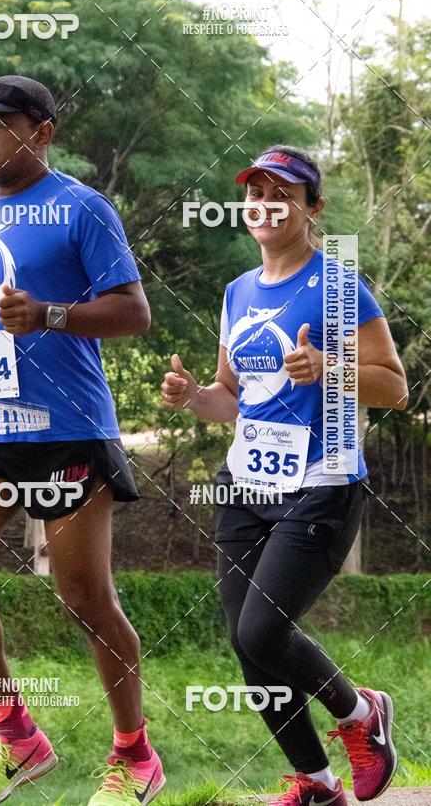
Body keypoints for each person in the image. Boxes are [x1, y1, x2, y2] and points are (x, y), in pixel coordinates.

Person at [0, 75, 166, 806]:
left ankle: (135, 755)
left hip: (66, 431)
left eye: (0, 122)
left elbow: (134, 313)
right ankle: (18, 736)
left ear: (43, 131)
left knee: (84, 596)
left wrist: (52, 316)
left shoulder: (82, 208)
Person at [161, 145, 408, 806]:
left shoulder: (339, 285)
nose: (265, 202)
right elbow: (231, 397)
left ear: (312, 206)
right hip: (246, 484)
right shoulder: (237, 292)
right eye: (255, 191)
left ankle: (360, 714)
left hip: (320, 484)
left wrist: (331, 368)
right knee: (251, 655)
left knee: (262, 632)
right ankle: (318, 784)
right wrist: (192, 396)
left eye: (283, 191)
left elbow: (395, 388)